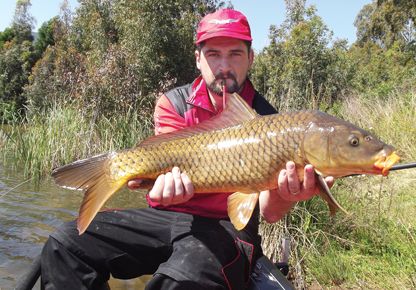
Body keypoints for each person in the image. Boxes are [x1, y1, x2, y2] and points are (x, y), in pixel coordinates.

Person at [40, 8, 333, 290]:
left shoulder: (272, 121)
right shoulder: (174, 103)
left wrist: (290, 194)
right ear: (198, 59)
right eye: (213, 54)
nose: (224, 66)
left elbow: (269, 213)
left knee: (183, 279)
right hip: (169, 216)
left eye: (235, 54)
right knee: (64, 243)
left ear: (251, 58)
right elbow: (162, 178)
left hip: (229, 228)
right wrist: (157, 187)